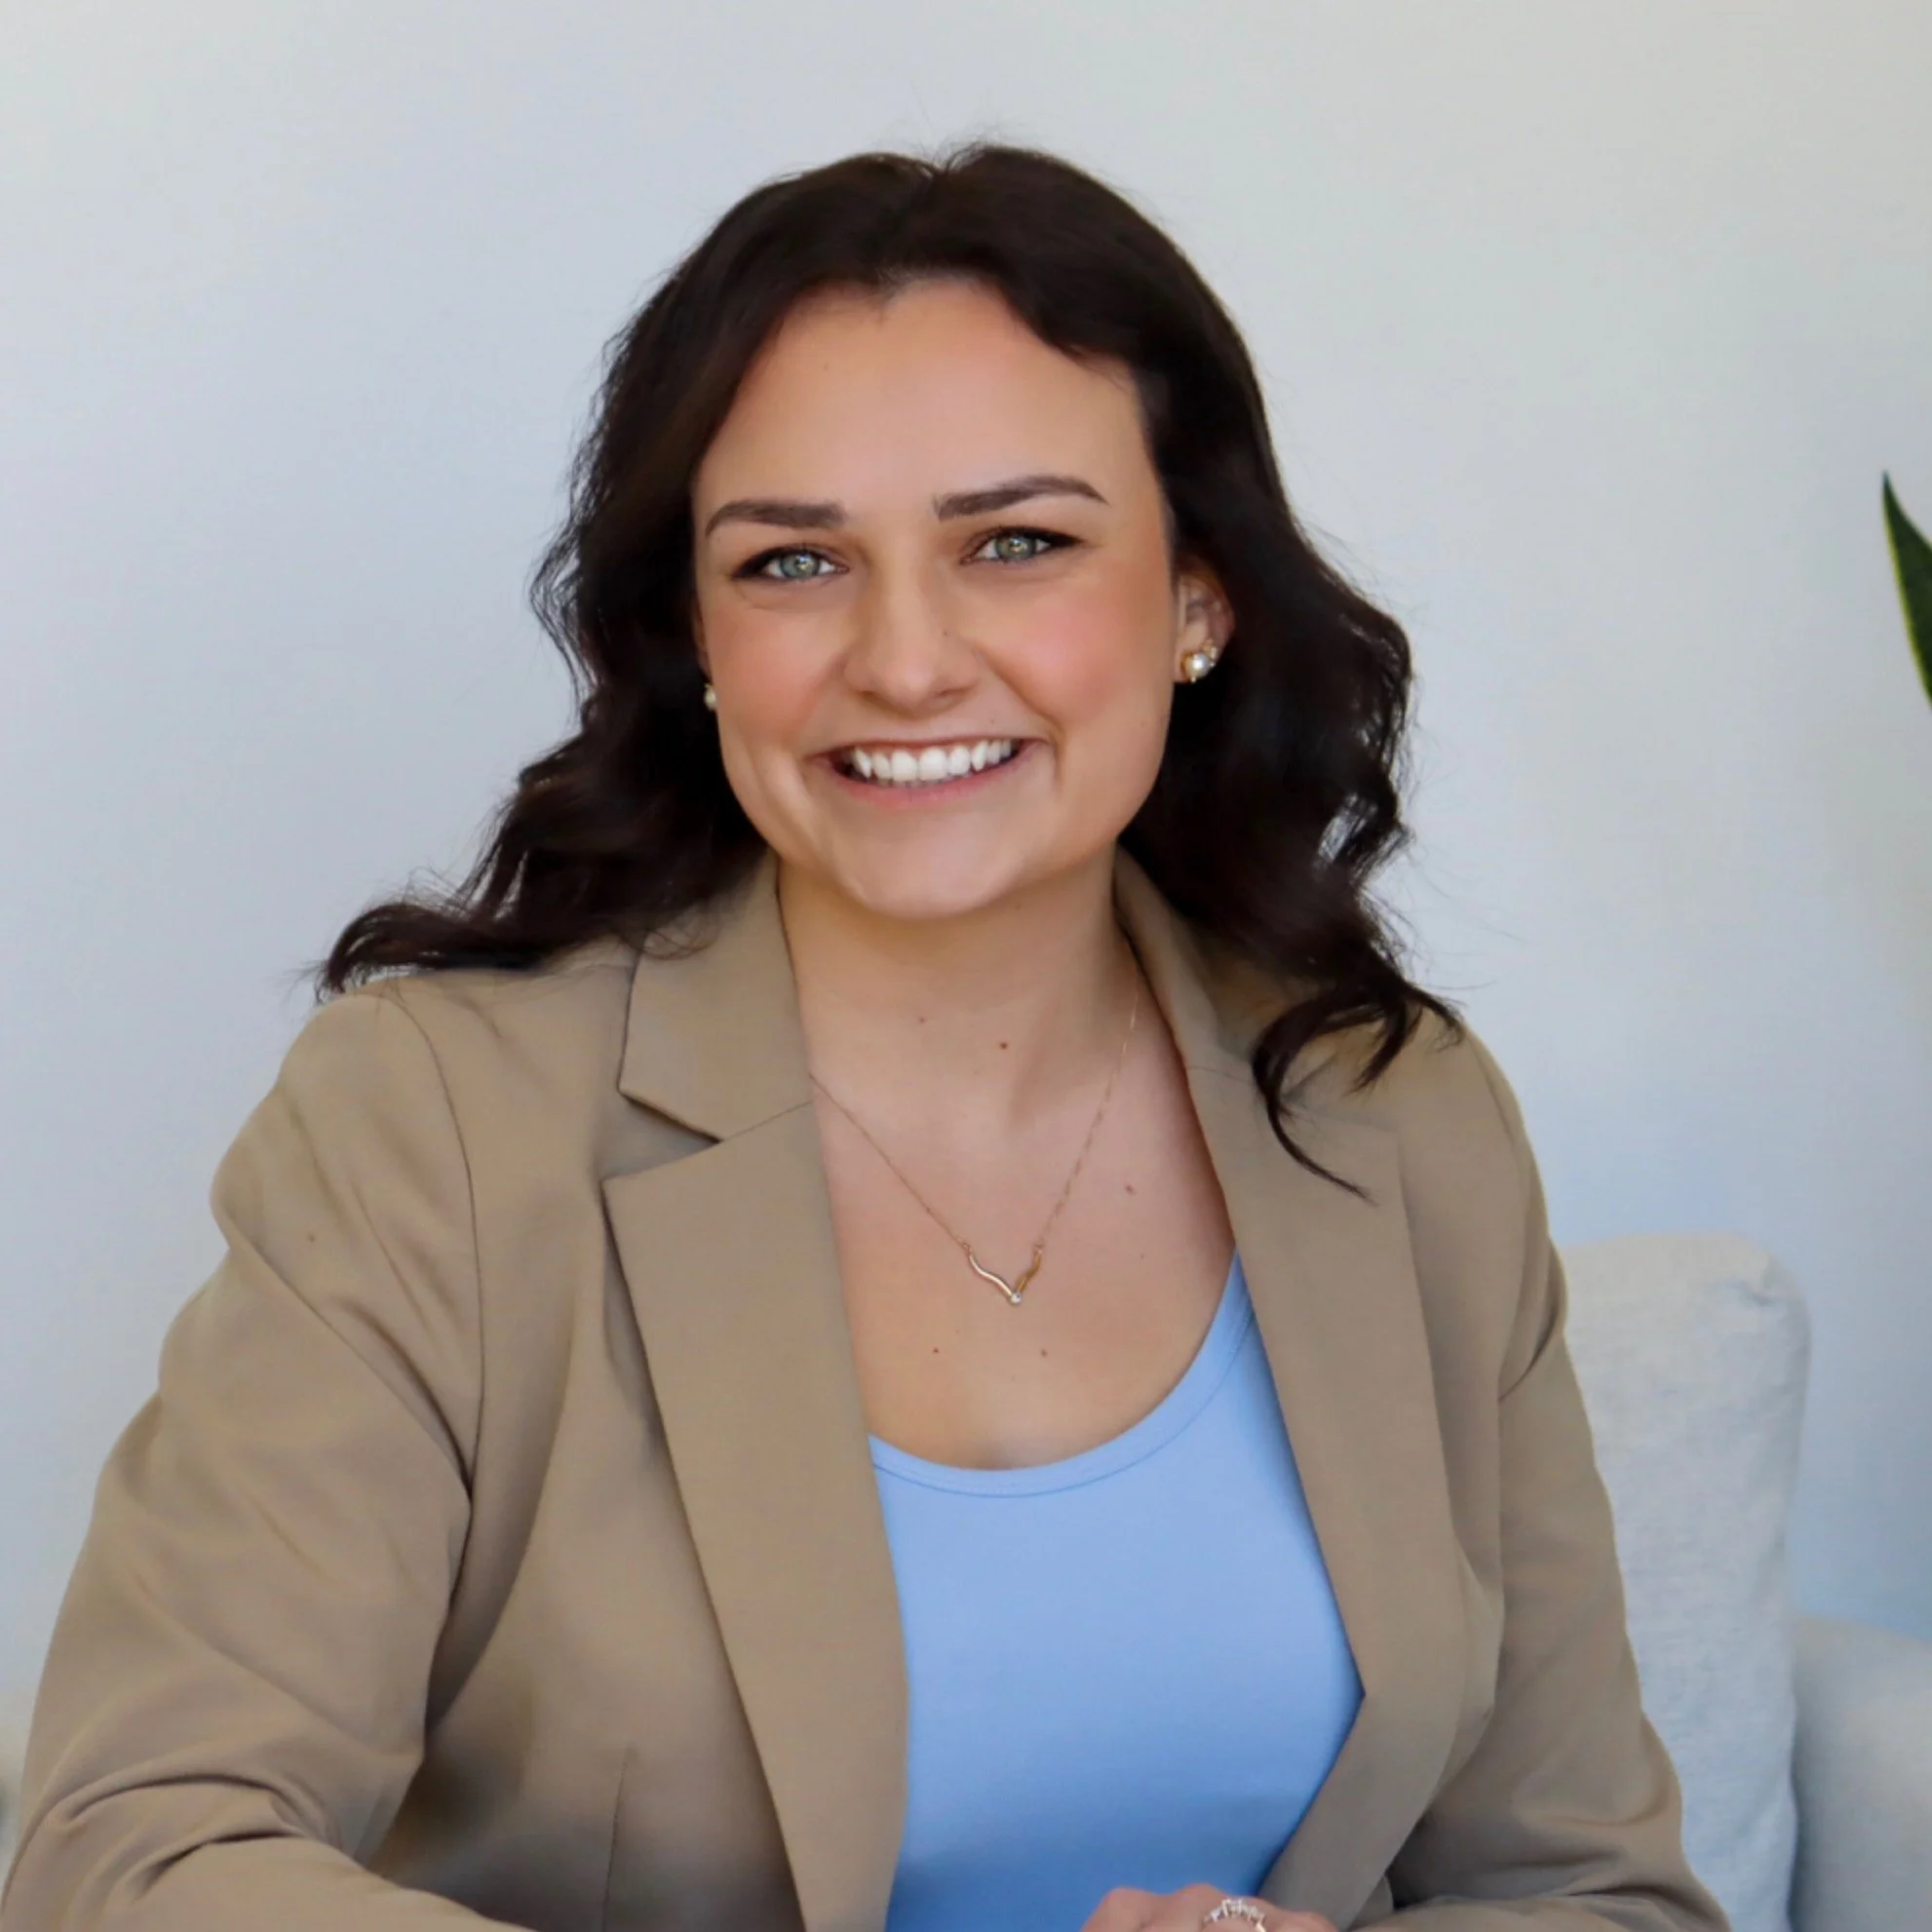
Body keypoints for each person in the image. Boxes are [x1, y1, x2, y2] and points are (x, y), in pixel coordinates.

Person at [0, 142, 1729, 1932]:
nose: (905, 660)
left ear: (1198, 596)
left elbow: (1594, 1891)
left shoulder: (1394, 1112)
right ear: (694, 634)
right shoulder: (432, 1128)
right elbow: (138, 1855)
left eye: (1018, 543)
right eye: (794, 561)